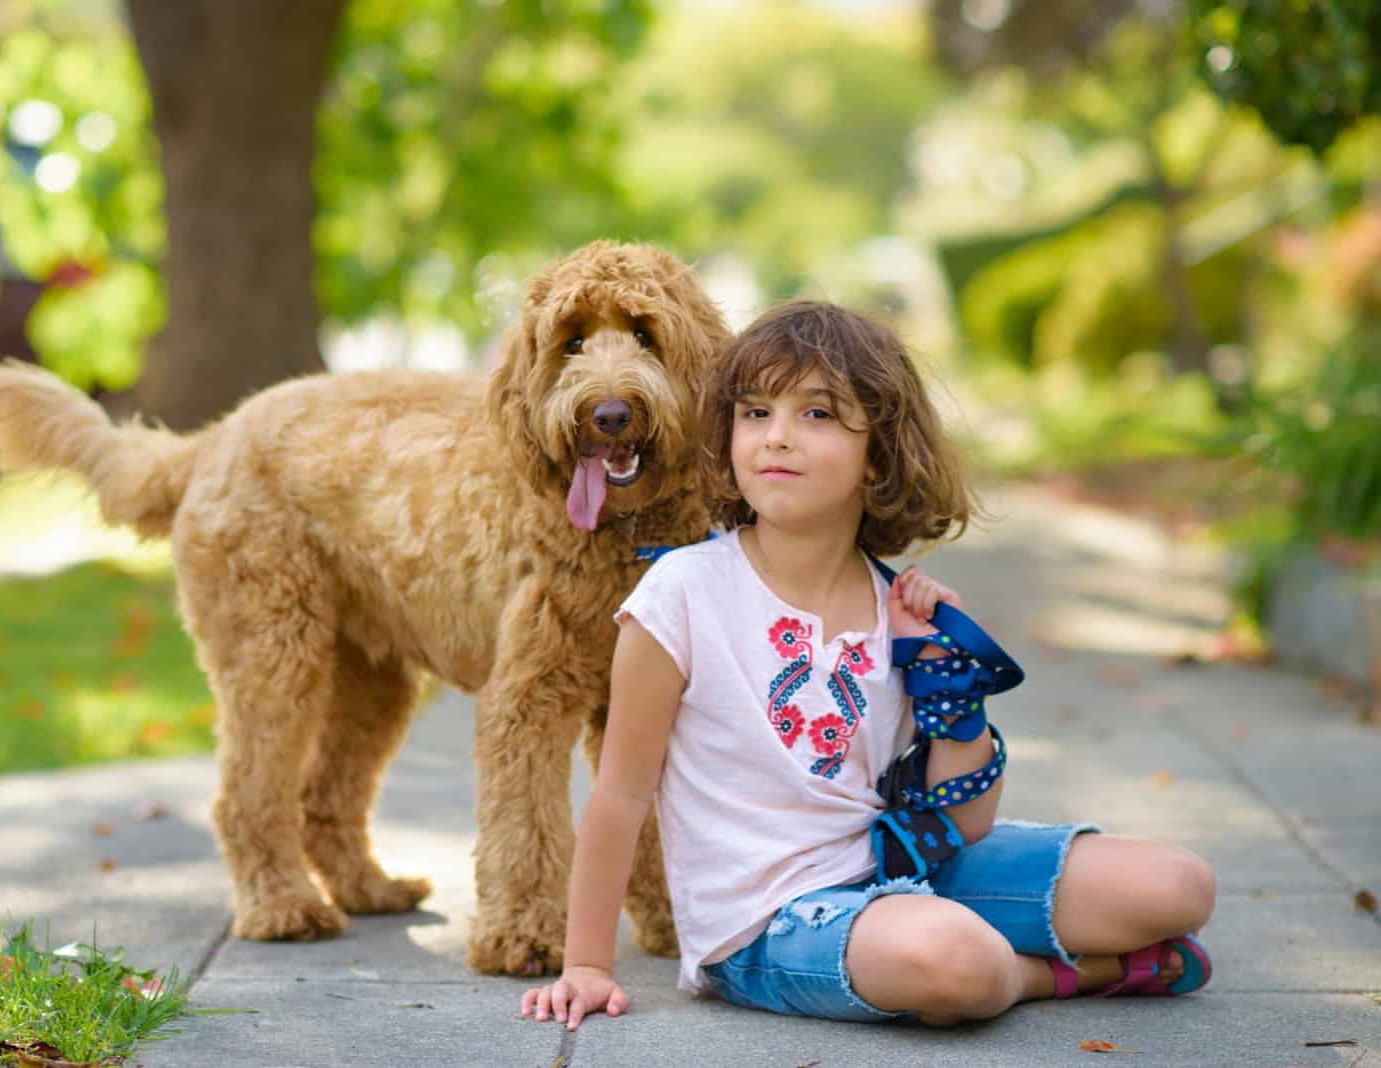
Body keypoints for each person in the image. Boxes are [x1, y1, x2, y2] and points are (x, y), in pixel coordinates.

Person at [519, 301, 1216, 1030]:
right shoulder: (683, 593)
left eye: (817, 415)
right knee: (958, 960)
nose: (777, 437)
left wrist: (942, 679)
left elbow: (968, 820)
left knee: (1177, 887)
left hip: (899, 866)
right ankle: (1059, 974)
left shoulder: (898, 605)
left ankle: (980, 945)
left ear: (878, 453)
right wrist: (588, 966)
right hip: (767, 919)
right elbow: (622, 795)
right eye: (755, 413)